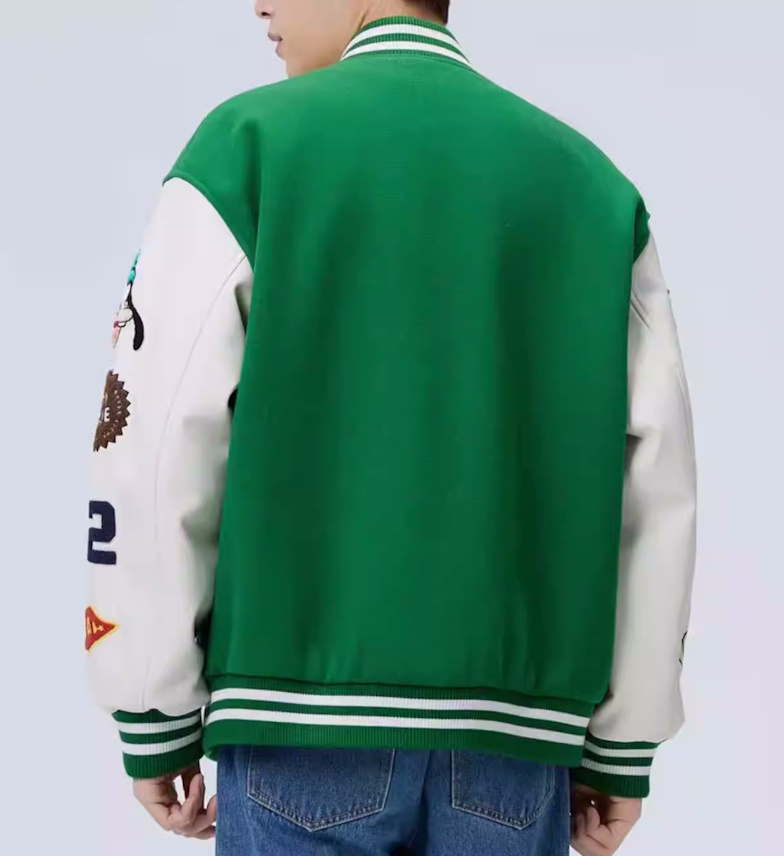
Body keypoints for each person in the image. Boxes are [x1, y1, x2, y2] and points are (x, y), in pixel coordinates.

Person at [84, 1, 698, 854]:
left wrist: (150, 705)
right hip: (516, 745)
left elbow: (152, 445)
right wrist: (624, 742)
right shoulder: (592, 187)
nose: (259, 2)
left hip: (298, 723)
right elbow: (657, 485)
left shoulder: (245, 149)